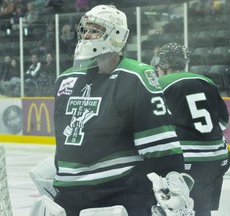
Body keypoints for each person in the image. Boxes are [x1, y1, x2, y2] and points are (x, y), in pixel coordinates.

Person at [52, 5, 187, 216]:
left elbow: (161, 146)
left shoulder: (136, 76)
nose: (87, 35)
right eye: (85, 29)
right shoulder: (66, 79)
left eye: (95, 30)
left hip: (119, 191)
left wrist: (172, 184)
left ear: (116, 35)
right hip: (68, 193)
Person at [151, 42, 230, 216]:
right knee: (201, 209)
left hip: (185, 160)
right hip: (218, 159)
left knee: (176, 209)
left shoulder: (159, 83)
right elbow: (223, 122)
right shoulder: (207, 81)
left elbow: (153, 126)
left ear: (164, 63)